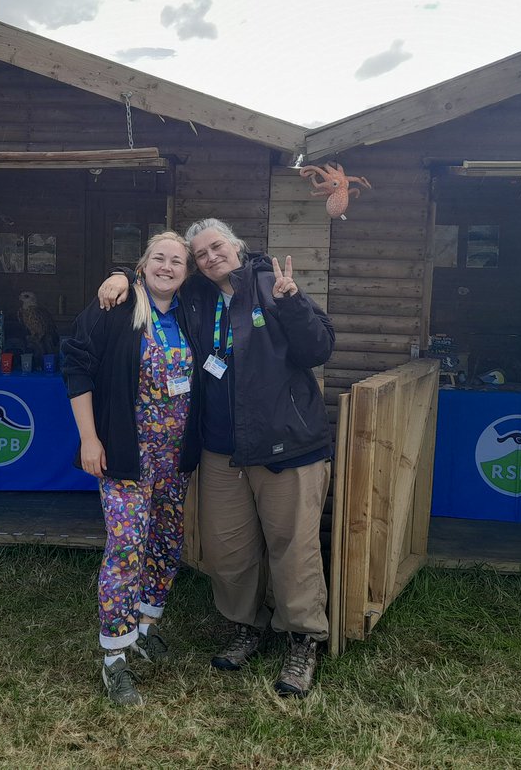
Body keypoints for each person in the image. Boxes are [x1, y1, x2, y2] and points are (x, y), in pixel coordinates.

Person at [98, 218, 334, 697]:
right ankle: (246, 627)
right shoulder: (198, 298)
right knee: (228, 550)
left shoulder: (272, 285)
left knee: (294, 548)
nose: (209, 258)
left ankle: (301, 640)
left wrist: (294, 302)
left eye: (216, 247)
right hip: (223, 450)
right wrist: (122, 272)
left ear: (238, 247)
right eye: (199, 254)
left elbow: (318, 348)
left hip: (285, 445)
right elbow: (159, 275)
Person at [62, 231, 203, 707]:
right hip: (126, 456)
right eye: (159, 258)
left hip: (173, 459)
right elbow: (77, 366)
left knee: (165, 542)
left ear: (186, 273)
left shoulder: (188, 314)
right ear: (142, 266)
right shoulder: (117, 309)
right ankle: (114, 655)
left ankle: (144, 627)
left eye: (177, 261)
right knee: (126, 546)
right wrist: (89, 437)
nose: (168, 266)